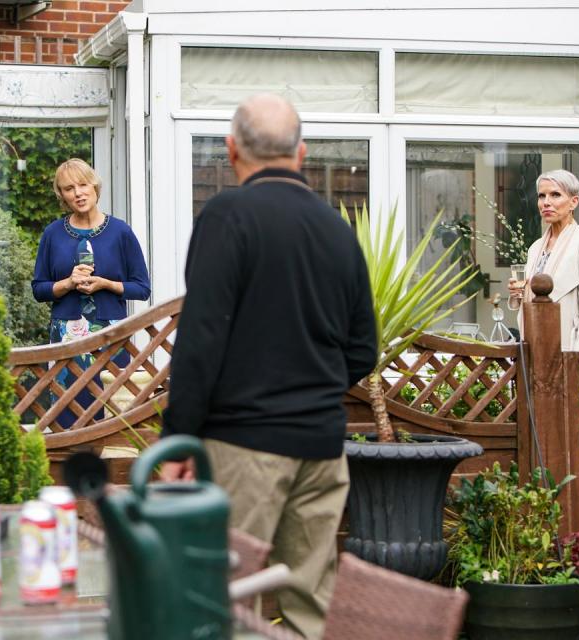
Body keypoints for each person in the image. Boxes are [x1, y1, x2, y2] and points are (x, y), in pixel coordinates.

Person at [159, 94, 378, 639]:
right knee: (312, 605)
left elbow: (201, 341)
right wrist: (313, 391)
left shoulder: (226, 217)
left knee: (228, 605)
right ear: (301, 153)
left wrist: (179, 442)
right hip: (322, 449)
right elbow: (363, 349)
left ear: (232, 151)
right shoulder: (336, 230)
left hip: (242, 446)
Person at [31, 158, 151, 428]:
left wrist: (106, 284)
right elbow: (38, 289)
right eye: (69, 188)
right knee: (66, 416)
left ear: (95, 186)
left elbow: (142, 288)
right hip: (66, 337)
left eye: (83, 185)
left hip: (111, 335)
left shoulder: (121, 232)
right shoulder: (53, 234)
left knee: (113, 416)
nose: (78, 193)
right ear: (61, 195)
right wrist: (67, 284)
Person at [509, 169, 579, 351]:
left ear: (573, 202)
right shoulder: (536, 247)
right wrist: (518, 292)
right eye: (542, 196)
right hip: (532, 344)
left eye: (555, 195)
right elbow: (535, 298)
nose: (546, 203)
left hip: (567, 349)